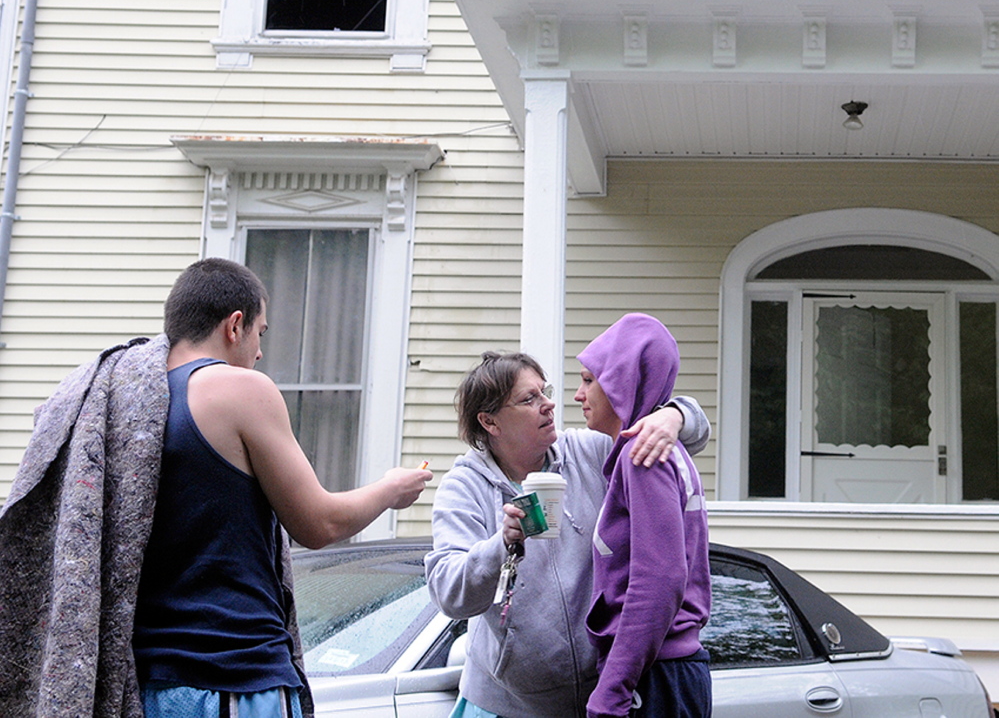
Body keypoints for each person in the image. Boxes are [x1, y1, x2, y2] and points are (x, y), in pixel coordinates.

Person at [0, 257, 432, 718]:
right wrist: (390, 490)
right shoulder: (241, 390)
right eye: (261, 333)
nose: (260, 352)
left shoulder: (121, 406)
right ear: (235, 325)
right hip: (234, 679)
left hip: (144, 690)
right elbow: (319, 523)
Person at [424, 349, 710, 718]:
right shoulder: (464, 487)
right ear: (490, 422)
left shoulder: (590, 451)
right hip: (507, 706)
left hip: (601, 698)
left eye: (545, 391)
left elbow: (695, 435)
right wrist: (504, 543)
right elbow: (450, 594)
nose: (549, 405)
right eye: (529, 399)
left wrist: (674, 415)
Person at [576, 313, 711, 718]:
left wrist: (612, 689)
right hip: (671, 673)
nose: (578, 394)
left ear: (621, 381)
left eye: (588, 379)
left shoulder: (642, 457)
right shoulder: (665, 451)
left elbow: (660, 579)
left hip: (654, 679)